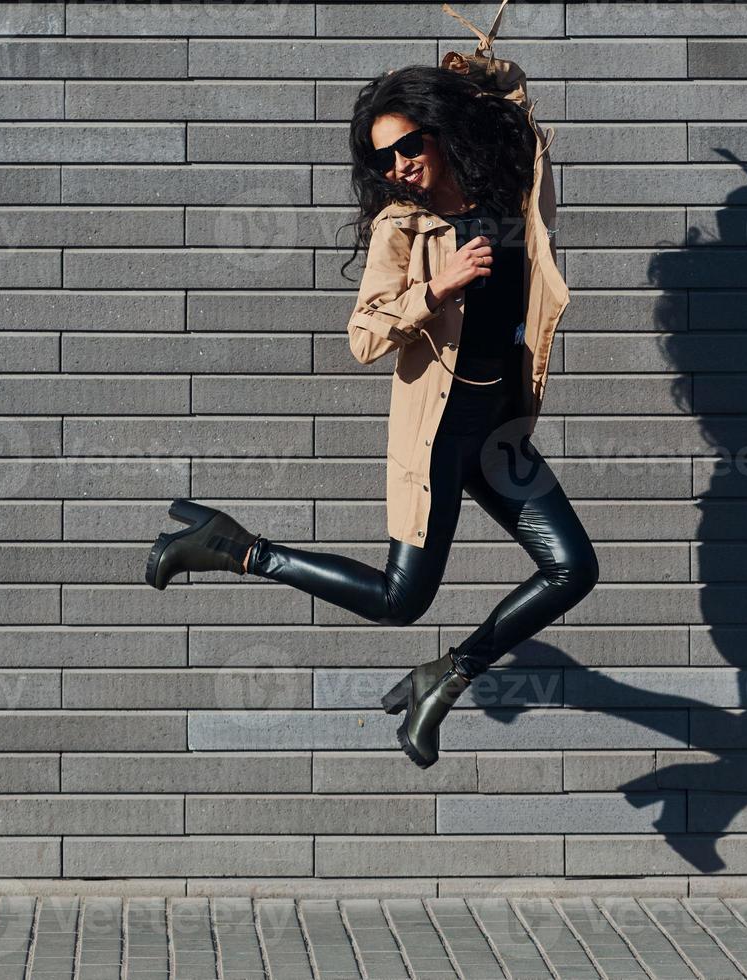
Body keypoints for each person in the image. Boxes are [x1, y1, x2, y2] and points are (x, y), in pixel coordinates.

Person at [144, 20, 597, 769]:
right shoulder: (401, 227)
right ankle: (233, 547)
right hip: (441, 433)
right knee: (398, 601)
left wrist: (484, 69)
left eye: (409, 145)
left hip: (498, 431)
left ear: (443, 131)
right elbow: (363, 337)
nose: (398, 166)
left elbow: (515, 111)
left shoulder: (507, 185)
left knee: (571, 569)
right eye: (383, 157)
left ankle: (444, 676)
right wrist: (436, 287)